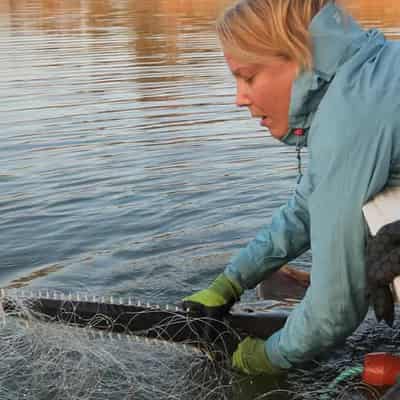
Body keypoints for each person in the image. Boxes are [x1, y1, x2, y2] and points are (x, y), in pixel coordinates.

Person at [182, 0, 400, 376]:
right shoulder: (365, 74)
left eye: (247, 77)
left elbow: (335, 308)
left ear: (299, 58)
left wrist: (269, 357)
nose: (238, 98)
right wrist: (232, 280)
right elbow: (307, 206)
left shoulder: (349, 119)